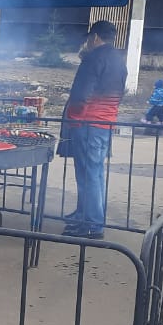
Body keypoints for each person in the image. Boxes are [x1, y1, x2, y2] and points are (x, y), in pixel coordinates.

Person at [61, 21, 127, 239]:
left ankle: (92, 224)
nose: (88, 41)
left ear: (96, 37)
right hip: (105, 122)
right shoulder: (119, 59)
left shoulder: (93, 58)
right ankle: (85, 214)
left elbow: (81, 93)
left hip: (88, 122)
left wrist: (75, 112)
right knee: (95, 172)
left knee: (88, 173)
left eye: (89, 38)